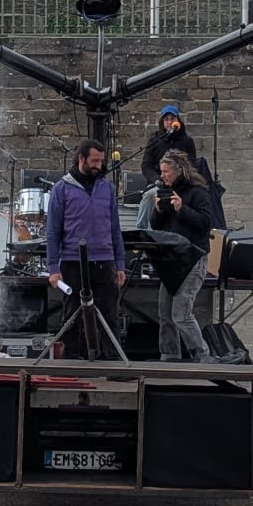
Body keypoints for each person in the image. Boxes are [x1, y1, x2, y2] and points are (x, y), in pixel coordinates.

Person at [45, 140, 126, 359]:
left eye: (101, 161)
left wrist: (120, 264)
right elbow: (52, 231)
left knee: (109, 313)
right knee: (72, 314)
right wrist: (53, 268)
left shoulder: (107, 188)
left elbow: (115, 228)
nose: (98, 165)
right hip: (73, 261)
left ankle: (113, 360)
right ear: (81, 159)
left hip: (104, 259)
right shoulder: (61, 188)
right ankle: (71, 359)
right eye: (94, 161)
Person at [147, 148, 215, 362]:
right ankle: (169, 355)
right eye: (161, 171)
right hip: (171, 260)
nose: (162, 176)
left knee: (181, 313)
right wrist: (158, 210)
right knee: (165, 312)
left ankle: (201, 354)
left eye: (166, 171)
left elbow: (206, 223)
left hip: (193, 258)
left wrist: (181, 208)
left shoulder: (198, 193)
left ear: (179, 171)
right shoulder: (166, 192)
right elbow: (157, 226)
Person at [136, 105, 199, 227]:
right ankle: (141, 230)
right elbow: (146, 165)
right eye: (166, 119)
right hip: (160, 183)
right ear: (162, 122)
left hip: (181, 183)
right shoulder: (154, 140)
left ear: (178, 120)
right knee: (149, 196)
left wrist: (181, 179)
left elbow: (192, 165)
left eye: (172, 119)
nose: (169, 122)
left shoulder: (187, 141)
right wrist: (157, 179)